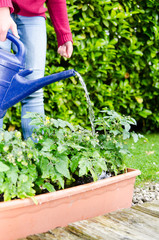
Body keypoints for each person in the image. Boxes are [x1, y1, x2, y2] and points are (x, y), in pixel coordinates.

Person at [0, 0, 73, 139]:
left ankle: (37, 156)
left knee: (33, 90)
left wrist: (64, 33)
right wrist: (2, 6)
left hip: (33, 15)